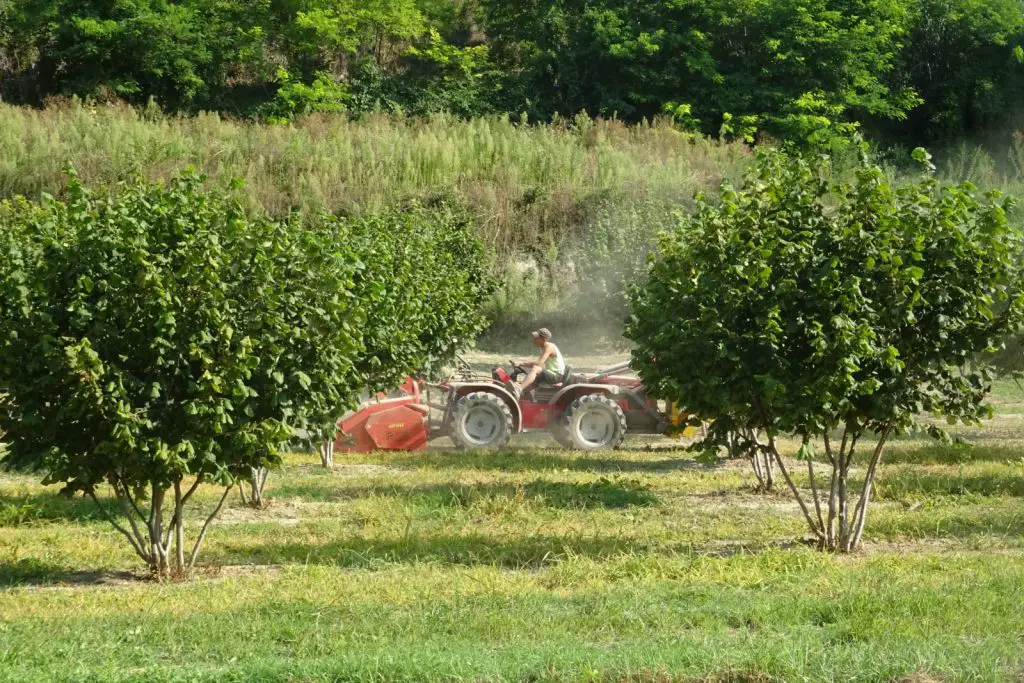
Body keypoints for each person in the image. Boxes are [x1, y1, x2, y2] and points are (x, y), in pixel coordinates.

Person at [514, 328, 566, 394]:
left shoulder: (549, 347)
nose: (534, 340)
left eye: (537, 338)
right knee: (529, 375)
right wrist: (521, 361)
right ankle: (522, 393)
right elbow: (537, 361)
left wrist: (521, 363)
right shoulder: (543, 346)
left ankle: (519, 389)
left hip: (556, 375)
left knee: (535, 369)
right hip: (551, 372)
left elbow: (538, 363)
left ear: (543, 339)